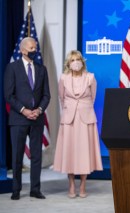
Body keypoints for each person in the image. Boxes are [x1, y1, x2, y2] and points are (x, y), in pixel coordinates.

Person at [3, 37, 51, 200]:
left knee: (37, 155)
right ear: (23, 50)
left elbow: (46, 95)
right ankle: (16, 189)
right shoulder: (12, 68)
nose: (34, 50)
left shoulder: (42, 69)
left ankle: (35, 189)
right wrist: (24, 110)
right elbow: (8, 95)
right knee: (17, 156)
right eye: (31, 48)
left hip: (37, 119)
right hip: (18, 119)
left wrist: (38, 110)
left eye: (35, 47)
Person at [53, 50, 103, 198]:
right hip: (69, 120)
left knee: (84, 153)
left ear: (82, 61)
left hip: (86, 119)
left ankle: (82, 186)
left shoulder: (90, 78)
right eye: (73, 60)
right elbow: (61, 98)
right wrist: (70, 110)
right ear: (68, 63)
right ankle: (71, 186)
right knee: (70, 153)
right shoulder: (63, 78)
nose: (76, 62)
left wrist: (83, 108)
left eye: (78, 59)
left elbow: (92, 98)